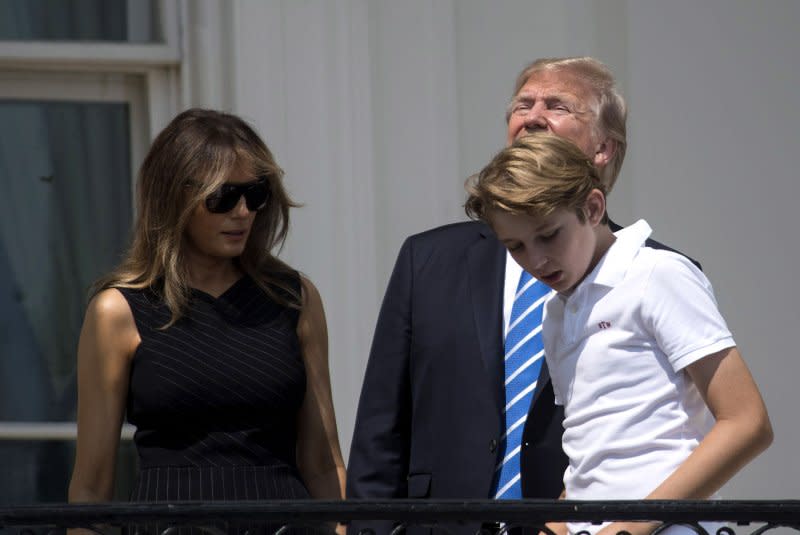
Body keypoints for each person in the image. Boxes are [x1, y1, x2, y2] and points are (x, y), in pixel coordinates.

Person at [346, 57, 698, 534]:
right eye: (522, 104)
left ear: (603, 148)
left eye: (557, 105)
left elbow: (690, 430)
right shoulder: (427, 259)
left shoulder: (650, 273)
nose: (532, 116)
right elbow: (380, 428)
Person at [465, 133, 773, 535]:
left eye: (548, 235)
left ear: (593, 207)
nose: (536, 260)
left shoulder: (658, 274)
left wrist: (629, 529)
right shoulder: (555, 311)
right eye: (516, 246)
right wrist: (554, 527)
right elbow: (591, 451)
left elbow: (747, 423)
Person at [67, 108, 346, 534]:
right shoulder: (118, 311)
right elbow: (90, 490)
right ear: (174, 197)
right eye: (223, 197)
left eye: (255, 195)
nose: (243, 212)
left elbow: (325, 464)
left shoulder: (295, 298)